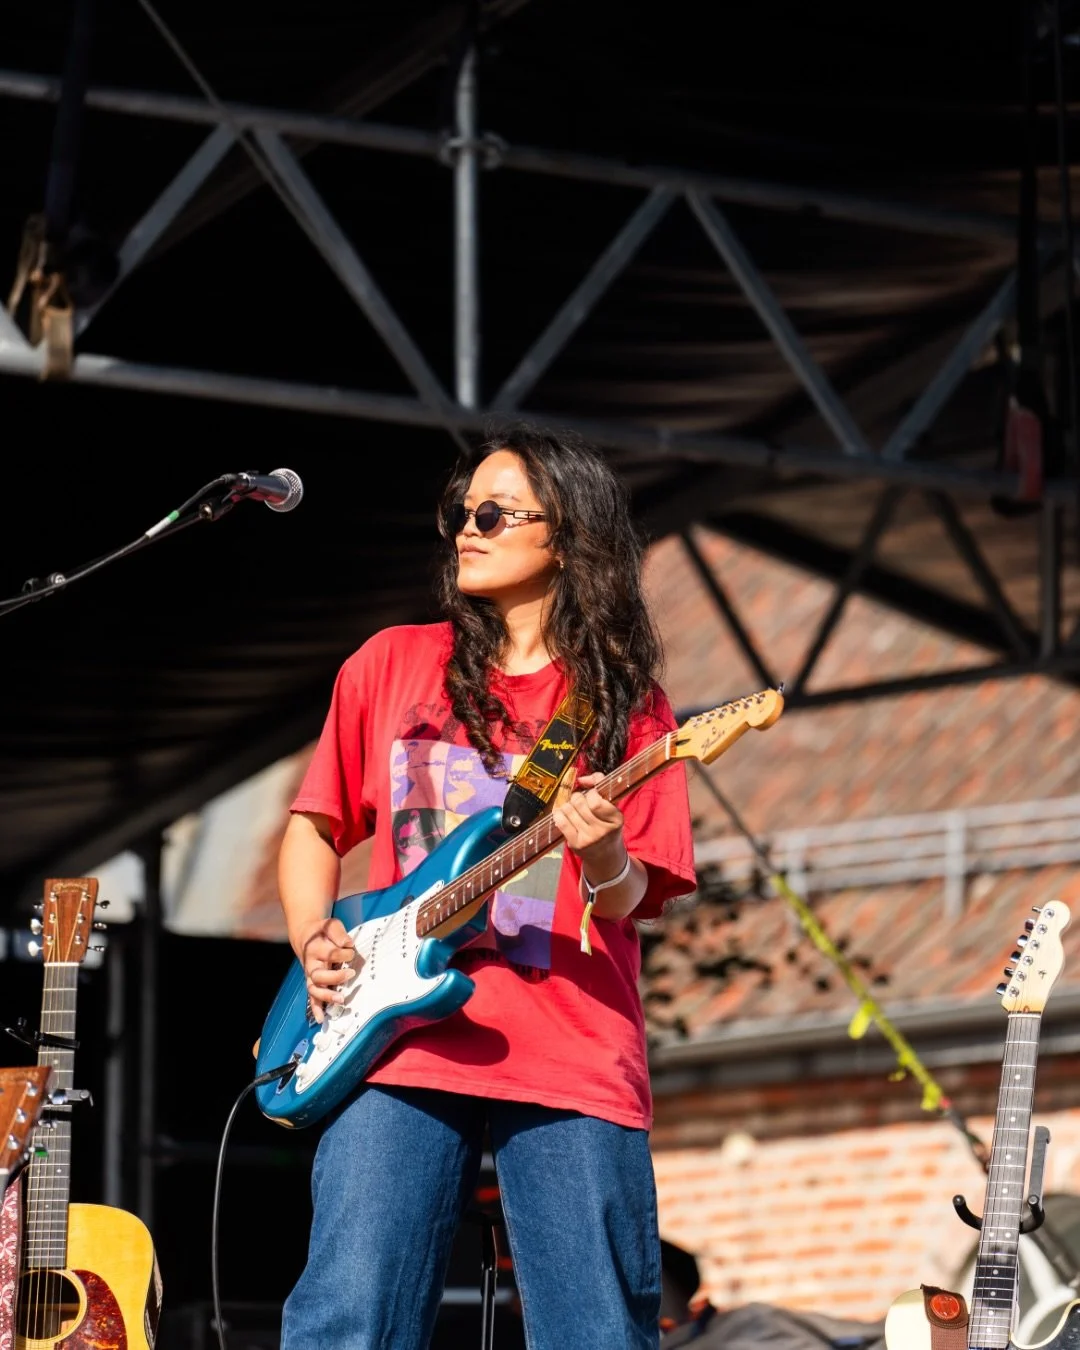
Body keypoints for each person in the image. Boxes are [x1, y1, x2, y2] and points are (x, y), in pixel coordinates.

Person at [276, 421, 698, 1350]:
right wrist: (314, 937)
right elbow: (312, 829)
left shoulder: (627, 705)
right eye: (463, 511)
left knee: (598, 1332)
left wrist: (599, 854)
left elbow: (630, 898)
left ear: (568, 539)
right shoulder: (390, 663)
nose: (468, 528)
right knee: (350, 1322)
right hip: (395, 1041)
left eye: (498, 513)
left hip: (571, 1050)